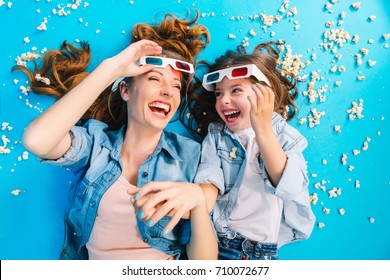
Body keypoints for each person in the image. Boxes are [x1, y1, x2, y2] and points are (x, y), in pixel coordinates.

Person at [13, 12, 218, 260]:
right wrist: (112, 69)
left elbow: (205, 266)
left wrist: (198, 202)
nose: (168, 92)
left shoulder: (193, 156)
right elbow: (37, 140)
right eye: (155, 79)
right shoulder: (96, 145)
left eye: (176, 86)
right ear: (125, 91)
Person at [187, 41, 315, 260]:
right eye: (218, 94)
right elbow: (209, 179)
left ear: (264, 94)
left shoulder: (285, 138)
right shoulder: (217, 136)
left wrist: (263, 129)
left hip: (261, 252)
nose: (224, 100)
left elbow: (290, 187)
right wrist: (194, 205)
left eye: (236, 90)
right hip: (221, 242)